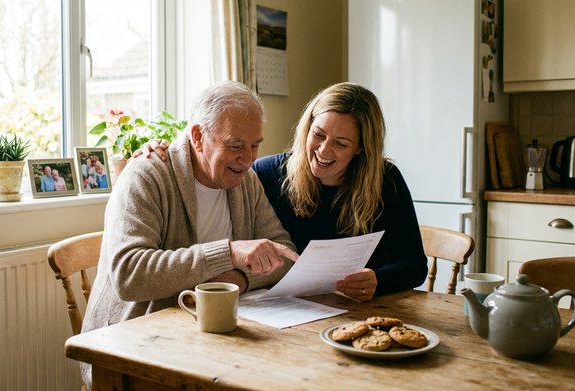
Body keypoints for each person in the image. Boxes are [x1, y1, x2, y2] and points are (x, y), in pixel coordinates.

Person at [80, 80, 298, 388]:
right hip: (135, 346)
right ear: (197, 136)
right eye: (235, 145)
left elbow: (284, 253)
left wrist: (238, 279)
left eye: (255, 145)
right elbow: (129, 275)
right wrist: (230, 254)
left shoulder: (246, 181)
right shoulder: (146, 175)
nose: (248, 159)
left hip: (214, 342)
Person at [135, 82, 428, 301]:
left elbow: (415, 264)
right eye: (319, 135)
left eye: (341, 143)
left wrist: (378, 279)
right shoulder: (265, 173)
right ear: (307, 128)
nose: (323, 151)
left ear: (362, 147)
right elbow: (208, 159)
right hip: (289, 308)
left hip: (359, 308)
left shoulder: (384, 180)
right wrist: (172, 149)